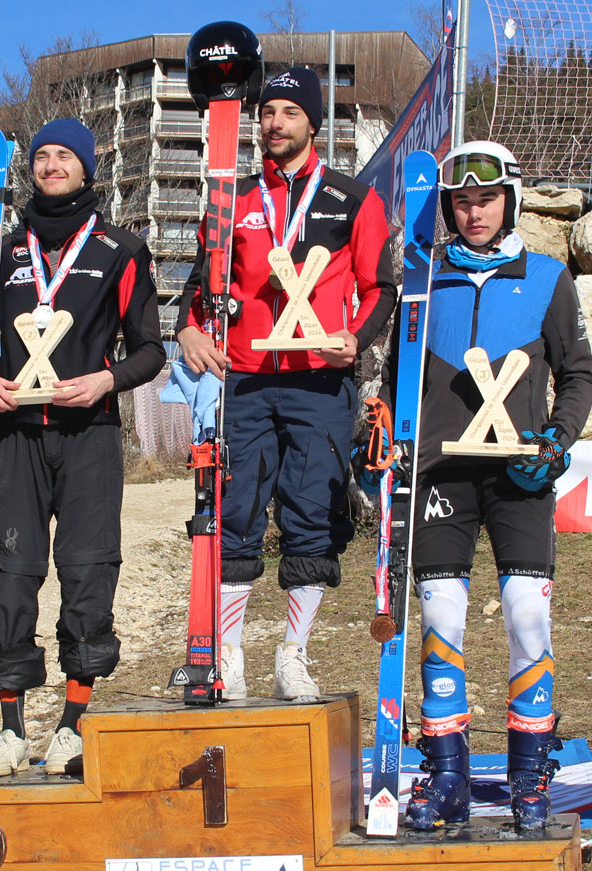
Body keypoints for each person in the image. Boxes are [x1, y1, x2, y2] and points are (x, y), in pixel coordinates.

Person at [0, 118, 163, 778]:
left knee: (88, 572)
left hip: (88, 434)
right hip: (15, 439)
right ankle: (10, 728)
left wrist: (105, 379)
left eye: (66, 155)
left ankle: (73, 724)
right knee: (11, 574)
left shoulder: (120, 249)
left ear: (87, 168)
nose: (52, 165)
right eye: (42, 157)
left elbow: (151, 348)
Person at [383, 141, 592, 832]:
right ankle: (445, 773)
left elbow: (579, 373)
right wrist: (379, 423)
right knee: (441, 618)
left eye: (486, 199)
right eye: (461, 201)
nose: (474, 213)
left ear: (511, 200)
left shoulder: (547, 278)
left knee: (526, 616)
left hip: (518, 475)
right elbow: (395, 376)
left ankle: (528, 774)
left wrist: (558, 440)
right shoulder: (423, 277)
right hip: (440, 474)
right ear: (447, 206)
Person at [176, 66, 396, 701]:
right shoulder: (233, 200)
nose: (274, 123)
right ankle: (229, 653)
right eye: (267, 111)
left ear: (313, 122)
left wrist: (358, 336)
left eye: (289, 113)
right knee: (236, 514)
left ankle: (293, 653)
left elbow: (381, 285)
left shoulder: (353, 199)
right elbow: (199, 283)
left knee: (313, 515)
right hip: (243, 380)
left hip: (320, 380)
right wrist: (188, 329)